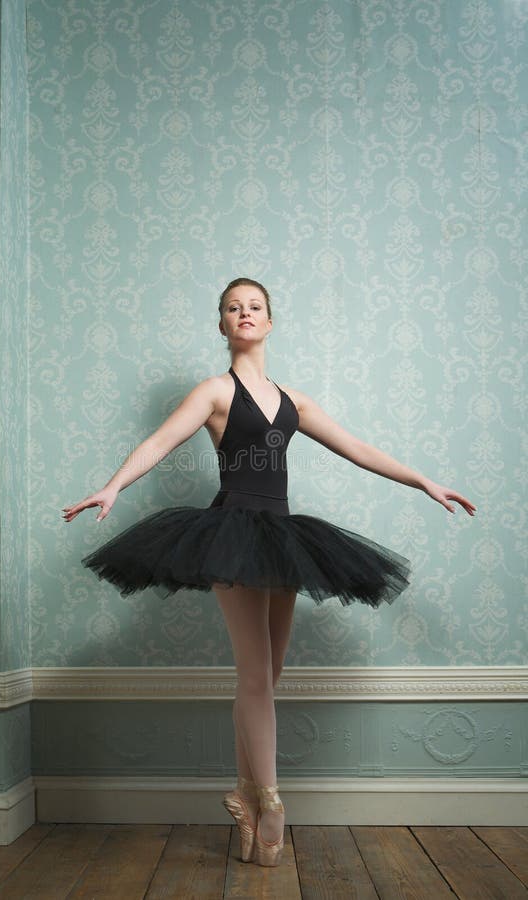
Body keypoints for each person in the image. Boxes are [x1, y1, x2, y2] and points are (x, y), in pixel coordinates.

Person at [62, 277, 477, 867]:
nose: (244, 313)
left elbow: (359, 449)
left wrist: (424, 482)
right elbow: (159, 442)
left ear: (271, 321)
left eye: (254, 306)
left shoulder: (295, 402)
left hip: (282, 538)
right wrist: (111, 487)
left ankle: (245, 795)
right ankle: (274, 803)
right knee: (255, 674)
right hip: (230, 534)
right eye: (234, 308)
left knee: (268, 674)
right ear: (223, 324)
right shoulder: (214, 392)